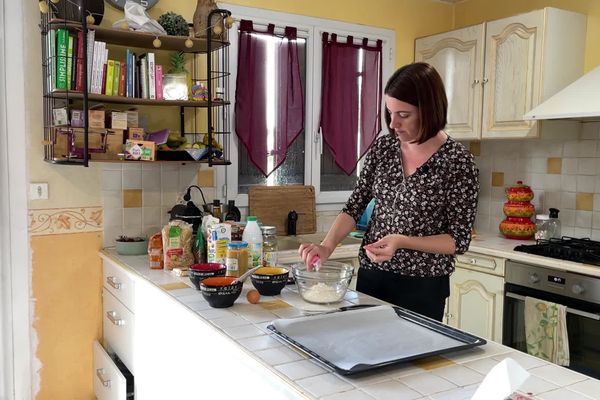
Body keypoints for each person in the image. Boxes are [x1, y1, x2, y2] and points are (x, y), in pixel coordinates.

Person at [299, 62, 479, 321]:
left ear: (429, 110)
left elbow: (458, 240)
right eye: (390, 112)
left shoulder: (457, 161)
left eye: (403, 115)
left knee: (413, 359)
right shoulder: (384, 148)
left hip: (424, 287)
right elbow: (356, 204)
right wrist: (327, 246)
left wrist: (401, 241)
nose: (393, 123)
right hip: (373, 277)